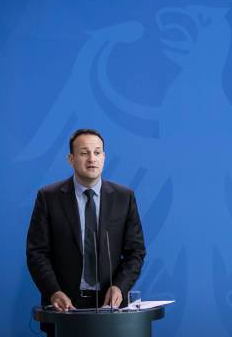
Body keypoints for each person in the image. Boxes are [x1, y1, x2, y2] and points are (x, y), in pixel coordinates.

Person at [27, 128, 146, 335]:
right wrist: (53, 292)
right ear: (71, 159)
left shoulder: (124, 197)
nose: (92, 158)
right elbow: (37, 252)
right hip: (65, 307)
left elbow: (136, 252)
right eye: (84, 153)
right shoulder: (48, 197)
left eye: (97, 152)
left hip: (111, 309)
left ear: (104, 157)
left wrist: (119, 287)